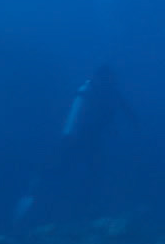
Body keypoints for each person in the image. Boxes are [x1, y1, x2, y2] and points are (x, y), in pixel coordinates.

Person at [14, 63, 138, 223]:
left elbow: (125, 109)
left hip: (91, 139)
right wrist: (67, 138)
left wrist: (134, 122)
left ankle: (84, 207)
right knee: (62, 168)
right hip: (77, 138)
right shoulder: (87, 92)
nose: (110, 82)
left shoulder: (108, 92)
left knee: (91, 171)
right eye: (108, 79)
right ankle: (34, 188)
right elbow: (76, 116)